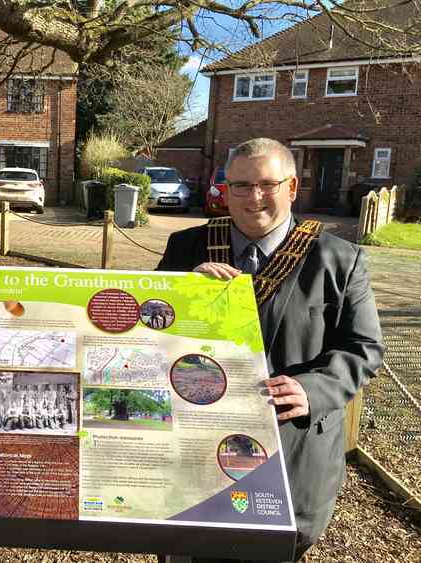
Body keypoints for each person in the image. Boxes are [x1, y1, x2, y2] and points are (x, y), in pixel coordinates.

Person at [156, 138, 383, 562]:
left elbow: (363, 347)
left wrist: (313, 390)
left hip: (291, 455)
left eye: (267, 184)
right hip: (195, 448)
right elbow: (148, 336)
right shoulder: (186, 249)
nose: (252, 197)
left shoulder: (338, 259)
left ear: (292, 187)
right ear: (225, 189)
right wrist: (182, 293)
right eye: (239, 185)